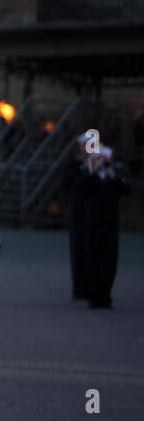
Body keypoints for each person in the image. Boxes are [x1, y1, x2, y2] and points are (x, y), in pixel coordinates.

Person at [80, 146, 130, 309]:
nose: (105, 162)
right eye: (101, 159)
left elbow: (125, 190)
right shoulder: (89, 177)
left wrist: (113, 176)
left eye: (107, 159)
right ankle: (95, 296)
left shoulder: (113, 177)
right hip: (93, 225)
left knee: (110, 262)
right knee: (92, 260)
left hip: (110, 225)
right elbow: (80, 188)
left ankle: (106, 295)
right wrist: (93, 171)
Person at [61, 132, 93, 300]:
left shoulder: (98, 164)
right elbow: (67, 185)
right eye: (84, 146)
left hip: (95, 214)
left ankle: (93, 285)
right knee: (78, 249)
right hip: (79, 212)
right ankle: (79, 287)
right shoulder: (74, 165)